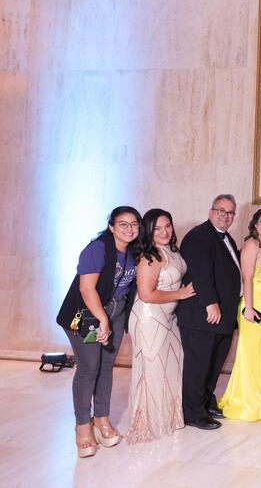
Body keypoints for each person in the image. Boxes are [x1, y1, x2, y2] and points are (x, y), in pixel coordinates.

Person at [56, 206, 141, 457]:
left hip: (116, 312)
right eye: (123, 224)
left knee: (106, 366)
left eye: (134, 224)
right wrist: (103, 319)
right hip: (85, 315)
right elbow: (86, 289)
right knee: (89, 367)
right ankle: (82, 427)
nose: (129, 229)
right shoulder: (97, 249)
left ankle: (102, 419)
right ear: (111, 226)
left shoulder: (134, 251)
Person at [125, 209, 194, 443]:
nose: (164, 232)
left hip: (169, 317)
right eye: (157, 228)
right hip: (149, 318)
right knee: (153, 371)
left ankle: (169, 419)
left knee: (172, 366)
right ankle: (150, 423)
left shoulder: (172, 250)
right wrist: (180, 294)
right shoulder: (149, 257)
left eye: (168, 226)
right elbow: (146, 294)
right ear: (148, 231)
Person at [177, 194, 241, 430]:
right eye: (221, 210)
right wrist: (210, 302)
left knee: (213, 365)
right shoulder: (198, 236)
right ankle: (192, 413)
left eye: (230, 212)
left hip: (222, 317)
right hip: (202, 316)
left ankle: (205, 404)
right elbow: (200, 274)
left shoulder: (225, 237)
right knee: (198, 367)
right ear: (210, 211)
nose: (225, 216)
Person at [218, 208, 261, 421]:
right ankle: (248, 401)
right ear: (255, 224)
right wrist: (249, 307)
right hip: (254, 306)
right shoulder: (251, 244)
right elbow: (247, 277)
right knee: (251, 354)